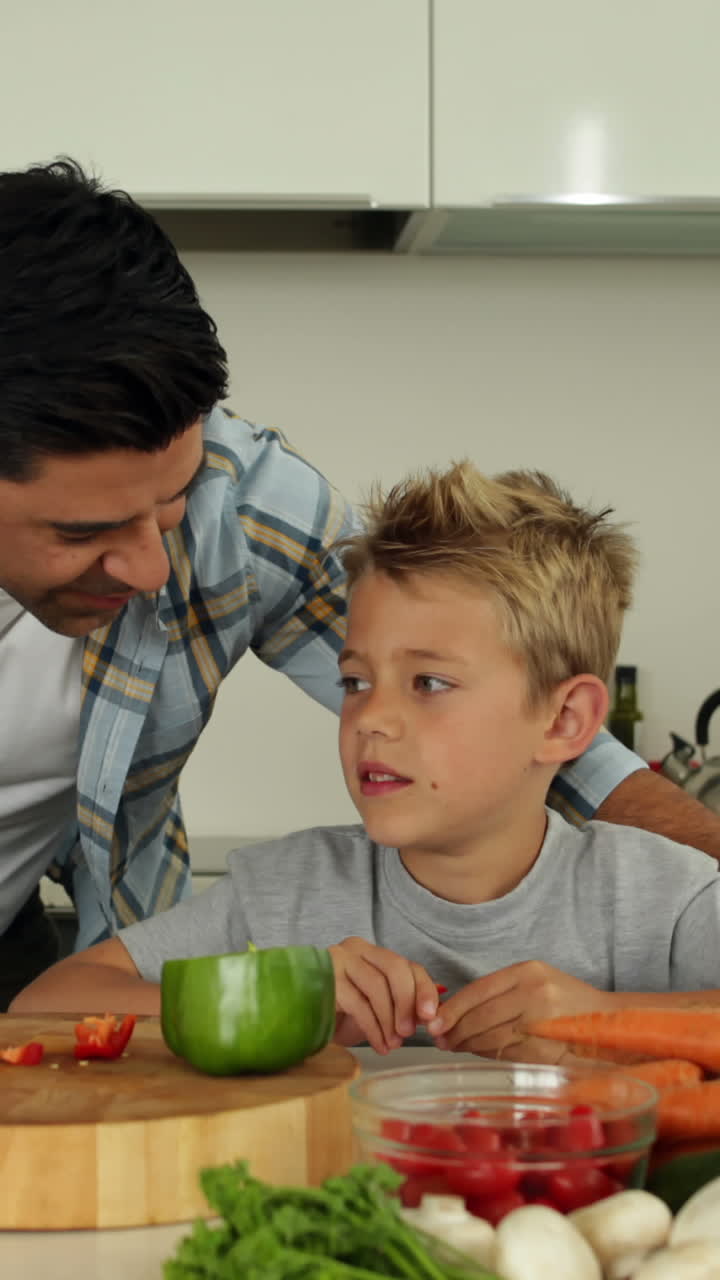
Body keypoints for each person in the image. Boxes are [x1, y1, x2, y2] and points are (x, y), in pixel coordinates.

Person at [2, 158, 719, 1013]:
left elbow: (543, 721)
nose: (156, 569)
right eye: (82, 533)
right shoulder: (293, 891)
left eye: (168, 505)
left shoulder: (242, 498)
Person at [14, 463, 720, 1064]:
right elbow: (44, 1006)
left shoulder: (663, 894)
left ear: (565, 721)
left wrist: (607, 1023)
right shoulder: (286, 893)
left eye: (429, 684)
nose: (369, 718)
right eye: (354, 681)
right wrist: (283, 1003)